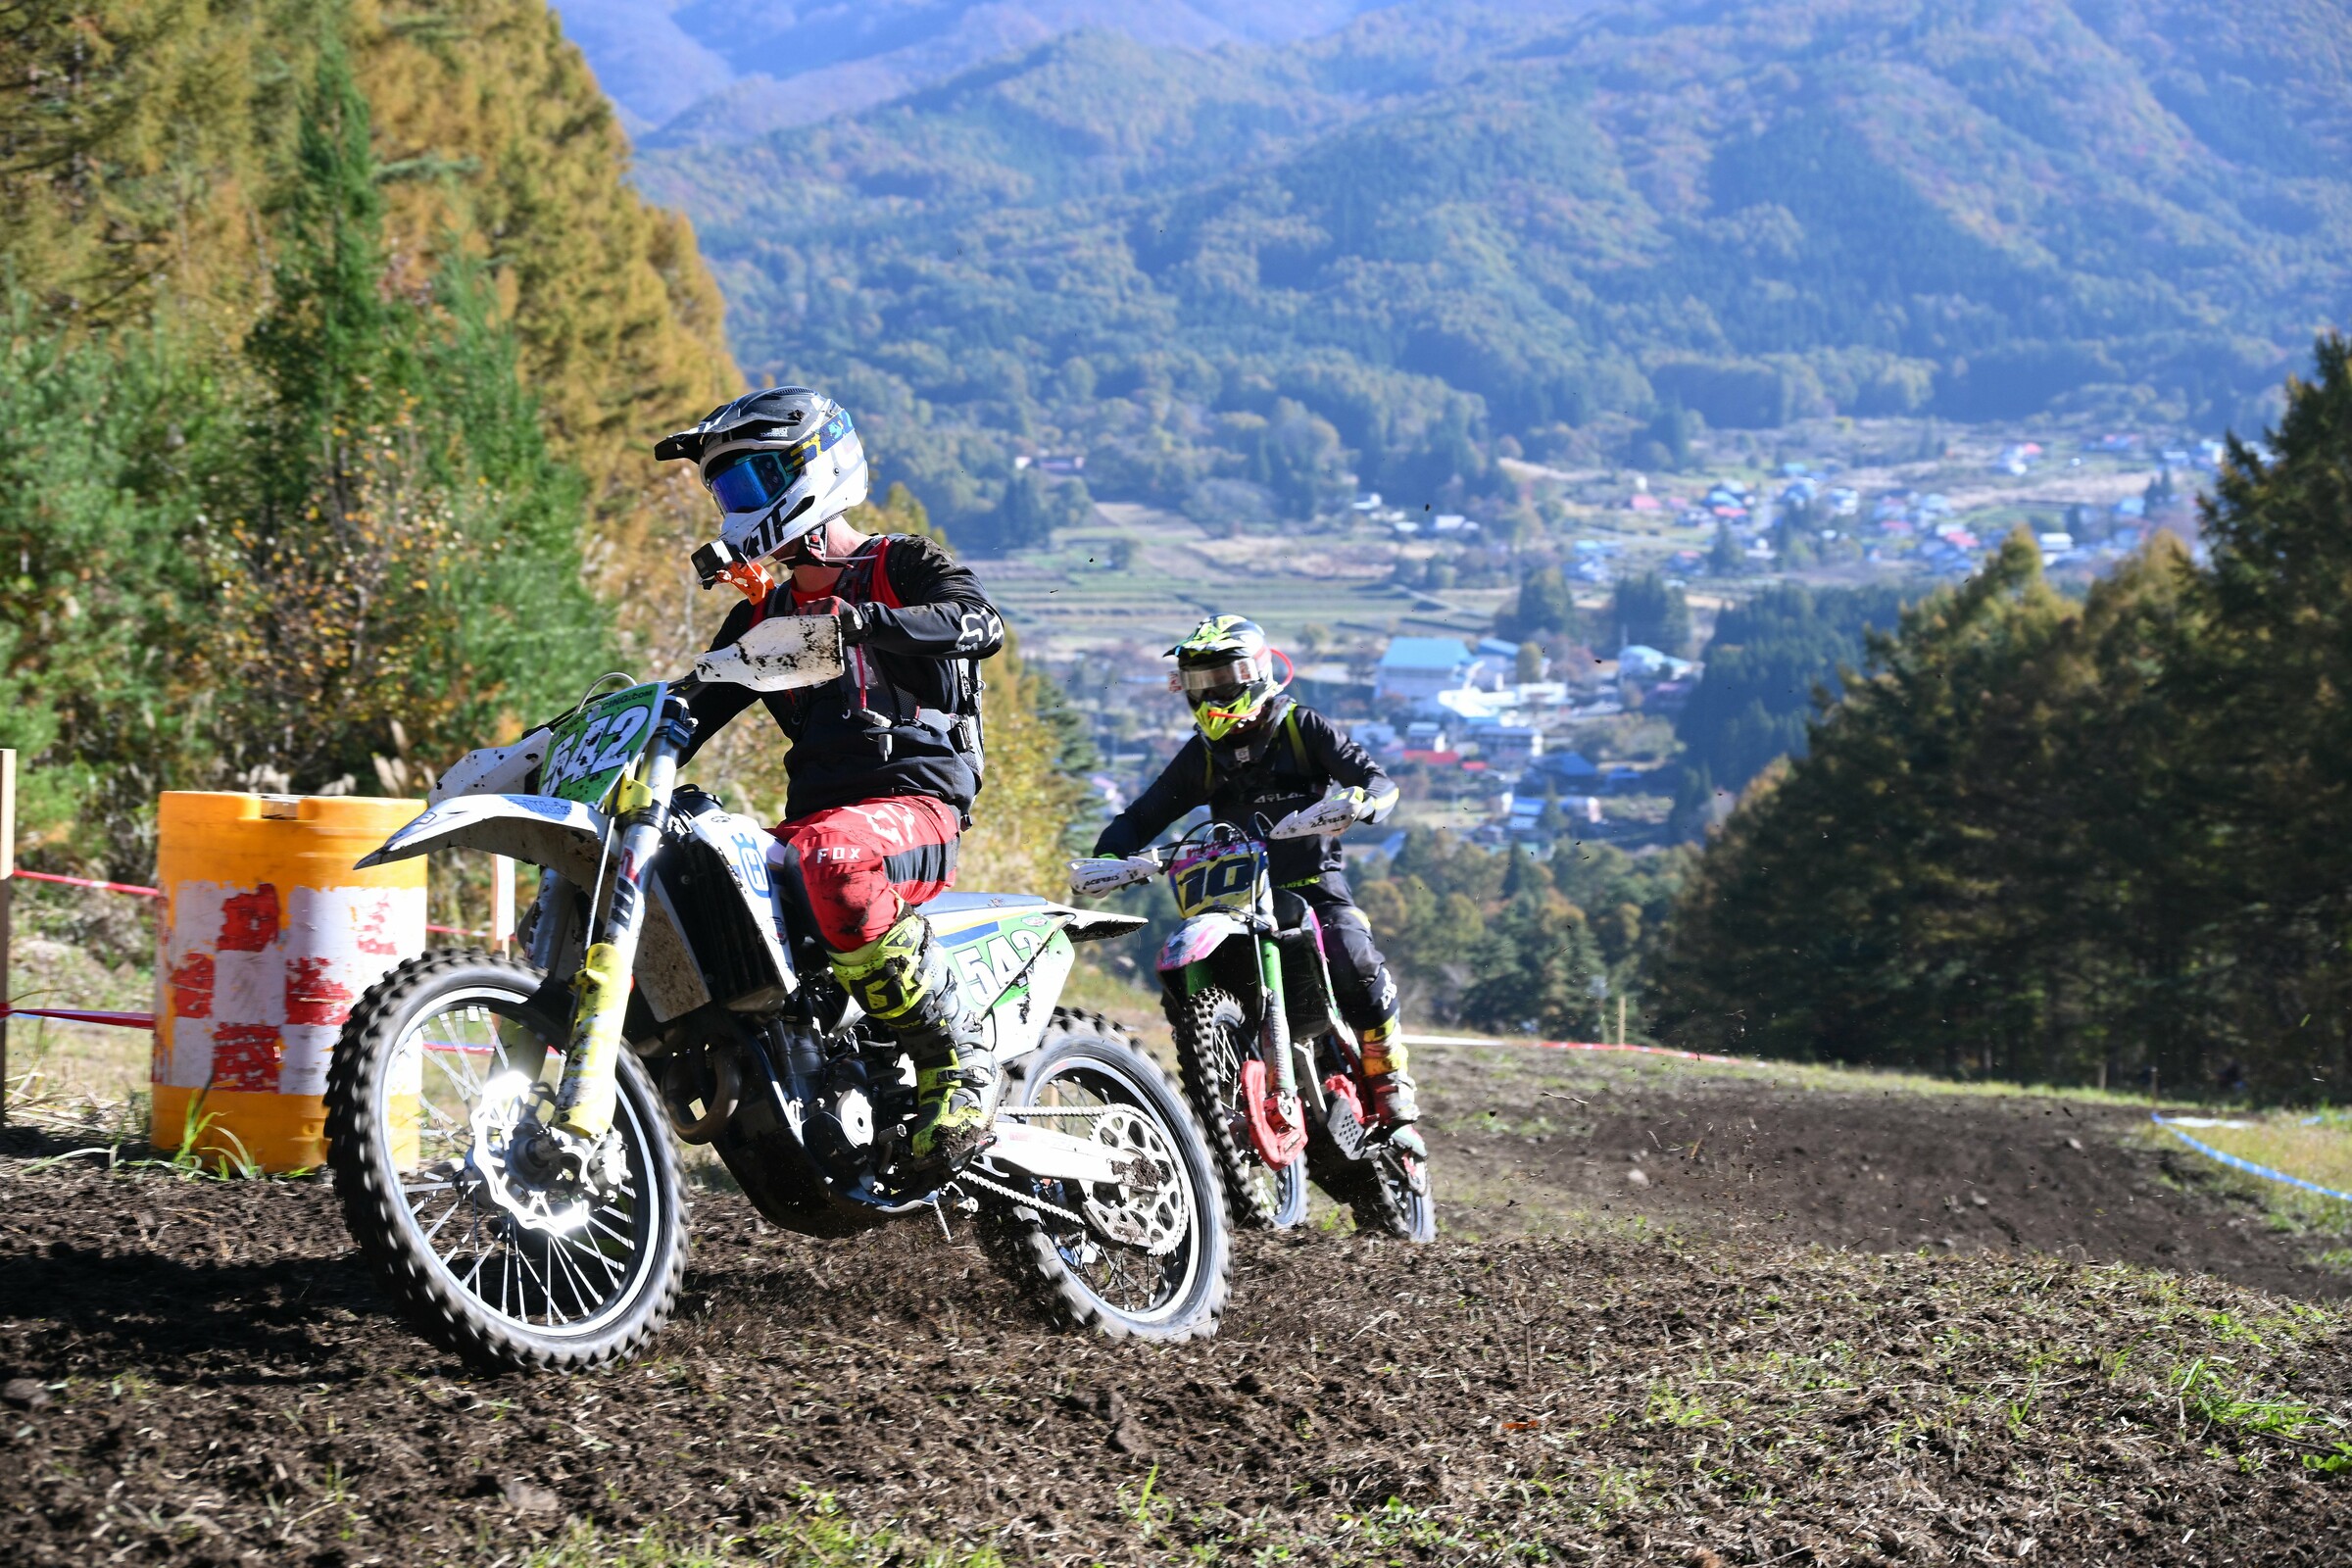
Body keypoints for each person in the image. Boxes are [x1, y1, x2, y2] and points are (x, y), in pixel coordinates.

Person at [655, 386, 1004, 1169]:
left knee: (829, 856)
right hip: (814, 818)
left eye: (751, 481)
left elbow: (982, 625)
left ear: (811, 468)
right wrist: (576, 746)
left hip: (914, 806)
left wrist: (864, 623)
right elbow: (694, 704)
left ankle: (959, 1060)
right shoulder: (764, 614)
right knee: (695, 877)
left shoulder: (897, 562)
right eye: (726, 489)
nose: (737, 505)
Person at [1091, 615, 1419, 1134]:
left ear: (1256, 672)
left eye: (1223, 679)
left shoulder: (1300, 727)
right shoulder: (1202, 755)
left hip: (1311, 883)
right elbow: (1143, 815)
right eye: (1199, 684)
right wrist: (1110, 855)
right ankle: (1217, 1091)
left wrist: (1365, 799)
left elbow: (1373, 777)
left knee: (1352, 955)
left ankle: (1389, 1077)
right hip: (1235, 897)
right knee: (1193, 977)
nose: (1211, 693)